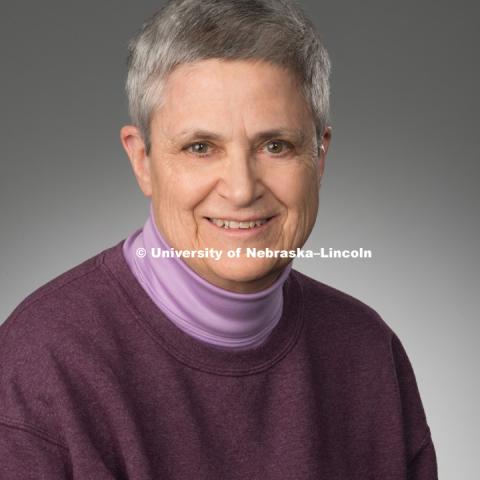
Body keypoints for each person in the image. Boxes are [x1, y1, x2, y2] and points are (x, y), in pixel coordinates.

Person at [0, 0, 438, 478]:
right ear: (142, 160)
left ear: (320, 156)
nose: (242, 188)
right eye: (200, 148)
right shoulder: (42, 362)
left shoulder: (366, 351)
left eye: (276, 146)